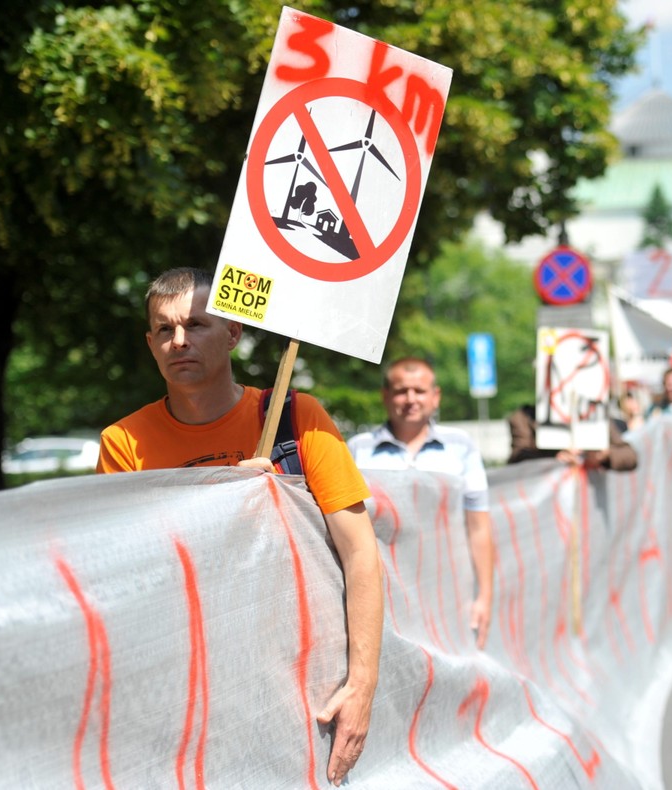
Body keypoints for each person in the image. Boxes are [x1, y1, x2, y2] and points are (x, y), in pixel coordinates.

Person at [96, 268, 382, 786]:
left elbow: (360, 552)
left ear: (233, 334)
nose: (179, 341)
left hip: (301, 685)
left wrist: (361, 685)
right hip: (182, 692)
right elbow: (124, 577)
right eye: (164, 329)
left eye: (197, 325)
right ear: (150, 343)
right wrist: (226, 494)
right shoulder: (123, 443)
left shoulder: (297, 418)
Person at [347, 357, 495, 649]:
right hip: (384, 593)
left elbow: (478, 526)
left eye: (420, 391)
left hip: (448, 592)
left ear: (435, 396)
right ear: (386, 396)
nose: (411, 399)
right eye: (402, 391)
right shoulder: (357, 449)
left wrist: (485, 597)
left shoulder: (460, 446)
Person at [507, 403, 638, 471]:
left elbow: (630, 456)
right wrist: (553, 459)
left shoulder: (596, 416)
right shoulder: (523, 418)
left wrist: (603, 455)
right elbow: (517, 460)